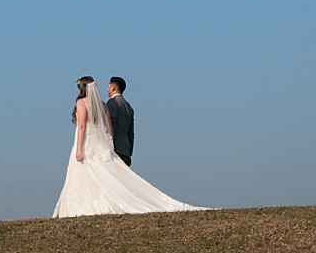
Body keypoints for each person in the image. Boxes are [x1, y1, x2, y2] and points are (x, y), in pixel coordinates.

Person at [52, 76, 207, 218]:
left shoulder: (89, 103)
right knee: (109, 176)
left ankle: (88, 203)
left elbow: (81, 127)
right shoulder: (114, 106)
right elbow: (114, 130)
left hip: (89, 142)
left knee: (90, 174)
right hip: (109, 145)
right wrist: (123, 149)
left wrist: (79, 148)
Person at [107, 76, 134, 167]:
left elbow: (111, 124)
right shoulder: (128, 107)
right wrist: (129, 152)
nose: (107, 89)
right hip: (125, 148)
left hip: (115, 147)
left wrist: (109, 144)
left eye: (108, 86)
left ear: (113, 88)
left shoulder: (112, 103)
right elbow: (131, 132)